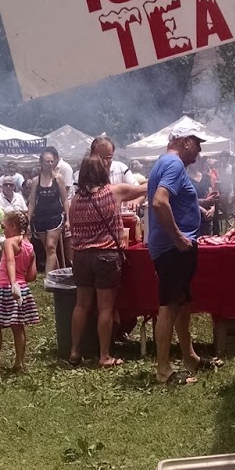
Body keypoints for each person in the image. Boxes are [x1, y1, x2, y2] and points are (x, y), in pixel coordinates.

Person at [146, 124, 214, 385]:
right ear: (185, 141)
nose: (199, 151)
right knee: (169, 306)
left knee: (182, 303)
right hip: (173, 248)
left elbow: (173, 200)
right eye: (197, 144)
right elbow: (159, 201)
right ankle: (163, 371)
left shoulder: (165, 162)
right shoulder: (174, 164)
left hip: (172, 246)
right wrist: (177, 237)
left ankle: (190, 356)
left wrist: (198, 206)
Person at [67, 152, 146, 367]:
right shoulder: (113, 192)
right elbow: (145, 189)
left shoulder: (76, 200)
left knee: (81, 305)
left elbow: (73, 228)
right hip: (106, 256)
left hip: (81, 256)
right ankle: (104, 355)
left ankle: (74, 351)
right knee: (105, 308)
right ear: (103, 171)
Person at [0, 209, 39, 374]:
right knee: (18, 327)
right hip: (23, 288)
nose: (3, 230)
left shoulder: (9, 242)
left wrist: (13, 283)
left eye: (4, 227)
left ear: (13, 226)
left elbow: (10, 261)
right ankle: (19, 363)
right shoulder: (30, 247)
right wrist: (20, 280)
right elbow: (32, 275)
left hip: (7, 288)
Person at [28, 146, 69, 273]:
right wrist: (28, 221)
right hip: (40, 217)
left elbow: (65, 199)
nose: (50, 164)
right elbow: (32, 202)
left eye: (52, 161)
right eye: (47, 161)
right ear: (41, 162)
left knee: (51, 246)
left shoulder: (58, 179)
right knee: (49, 249)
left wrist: (68, 219)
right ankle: (57, 275)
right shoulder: (36, 181)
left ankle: (48, 278)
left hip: (55, 216)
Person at [189, 156, 220, 236]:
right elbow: (188, 199)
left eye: (197, 160)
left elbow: (211, 194)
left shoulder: (206, 177)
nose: (194, 162)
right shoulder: (185, 178)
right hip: (193, 217)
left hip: (207, 217)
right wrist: (202, 210)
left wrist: (212, 209)